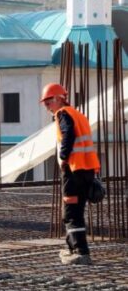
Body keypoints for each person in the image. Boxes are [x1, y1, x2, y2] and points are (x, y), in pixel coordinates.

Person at [40, 83, 100, 265]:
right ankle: (73, 248)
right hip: (87, 170)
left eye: (48, 102)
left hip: (73, 171)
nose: (47, 107)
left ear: (58, 99)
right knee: (77, 211)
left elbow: (68, 134)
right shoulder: (78, 114)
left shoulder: (63, 114)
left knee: (71, 212)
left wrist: (63, 156)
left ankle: (80, 252)